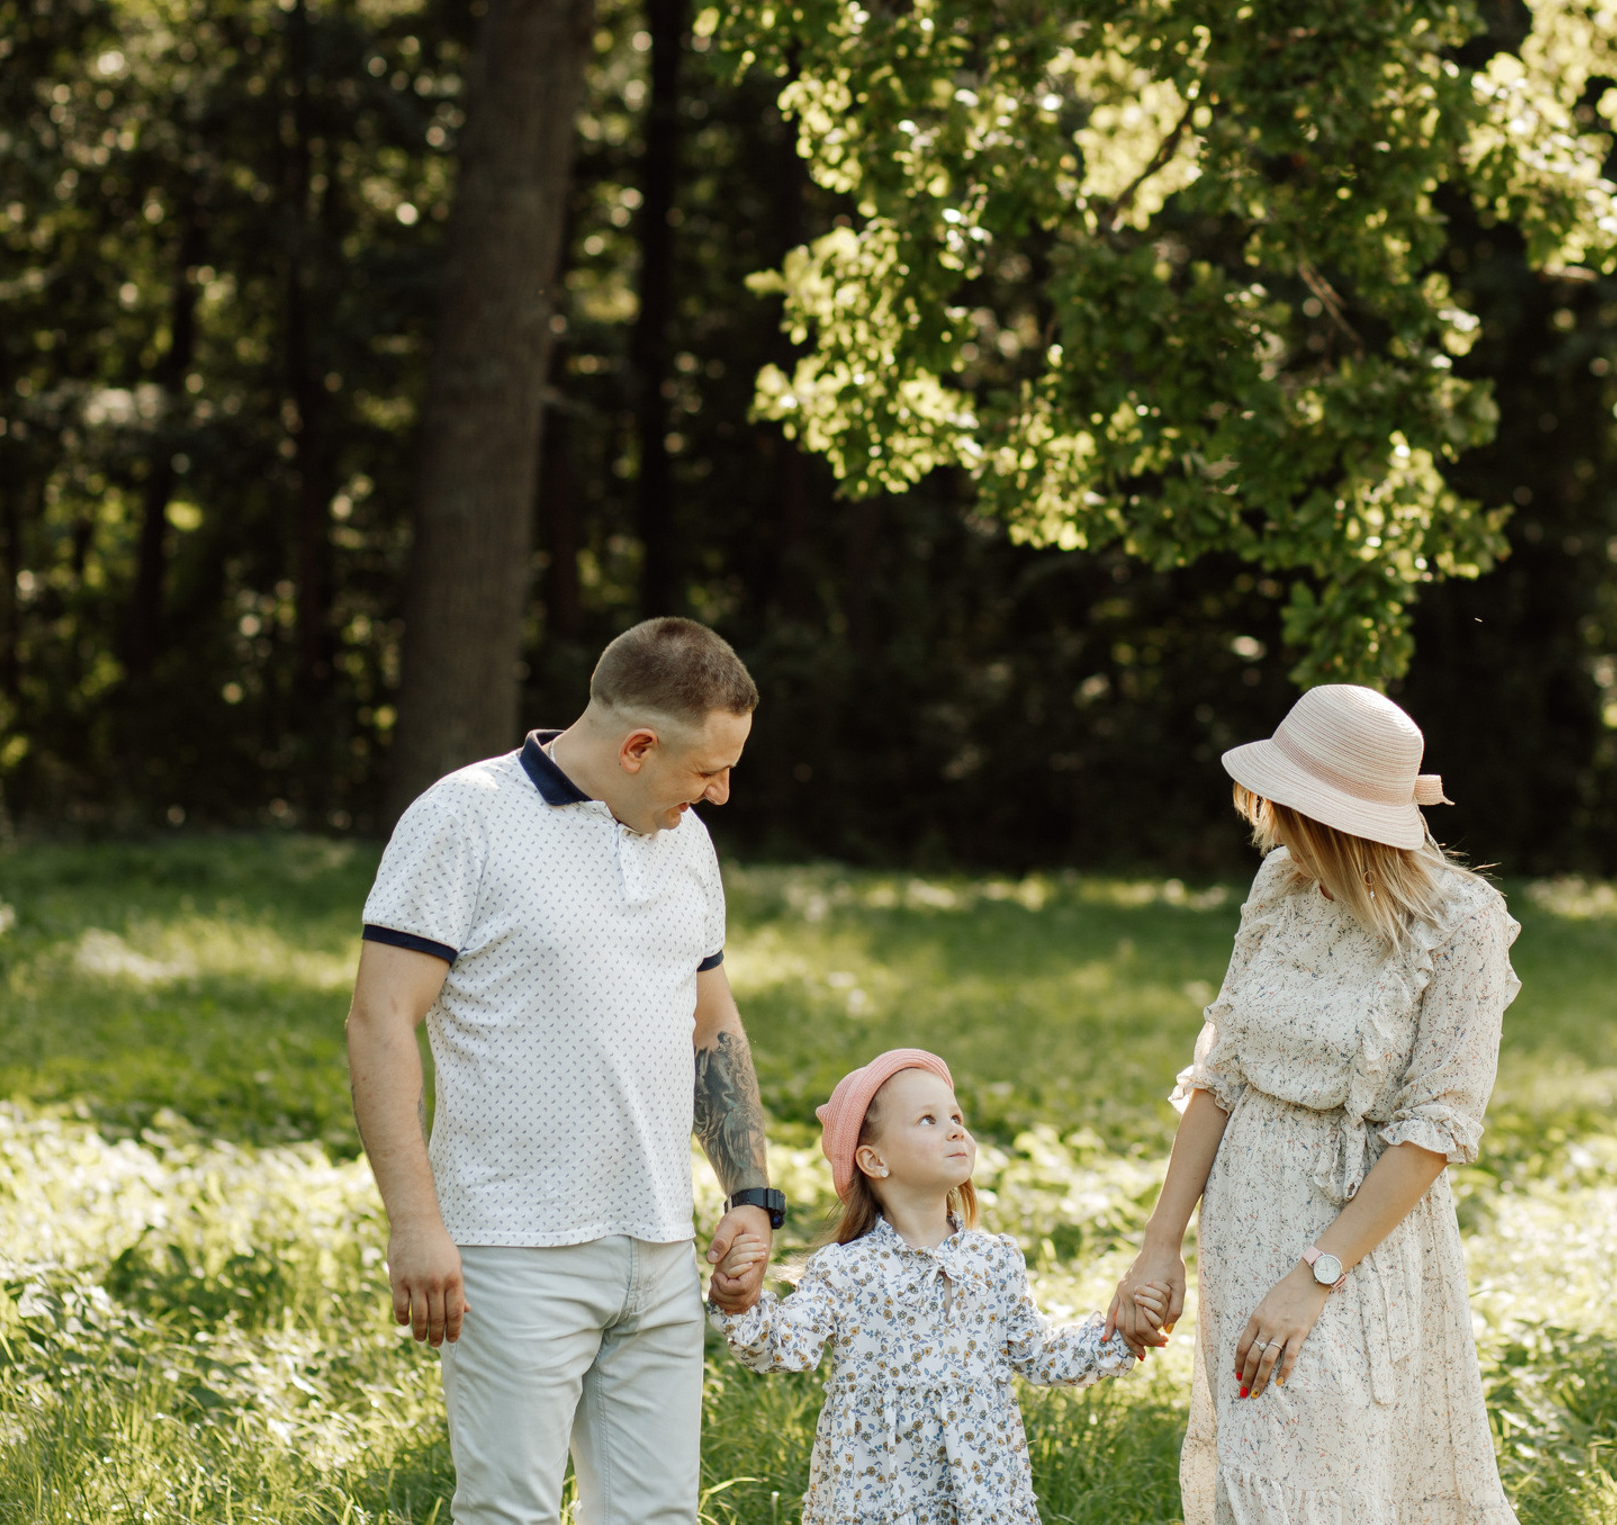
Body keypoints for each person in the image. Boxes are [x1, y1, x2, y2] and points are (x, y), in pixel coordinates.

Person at [344, 617, 787, 1525]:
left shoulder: (687, 843)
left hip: (661, 1247)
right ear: (636, 746)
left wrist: (749, 1192)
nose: (723, 793)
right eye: (708, 770)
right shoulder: (463, 818)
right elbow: (380, 1020)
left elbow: (711, 1025)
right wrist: (415, 1225)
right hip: (513, 1247)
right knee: (510, 1514)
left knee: (656, 1517)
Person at [1107, 684, 1522, 1525]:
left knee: (1334, 1481)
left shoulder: (1464, 925)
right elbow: (1224, 1072)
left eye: (1290, 805)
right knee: (1261, 1481)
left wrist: (1314, 1277)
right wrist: (1160, 1247)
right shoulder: (1281, 883)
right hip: (1243, 1225)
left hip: (1355, 1246)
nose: (1271, 820)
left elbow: (1435, 1131)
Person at [708, 1048, 1150, 1524]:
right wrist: (741, 1304)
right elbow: (784, 1346)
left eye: (956, 1116)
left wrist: (1121, 1334)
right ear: (874, 1160)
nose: (956, 1129)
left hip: (983, 1497)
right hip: (880, 1498)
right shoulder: (847, 1270)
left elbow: (1037, 1352)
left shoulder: (993, 1261)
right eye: (927, 1120)